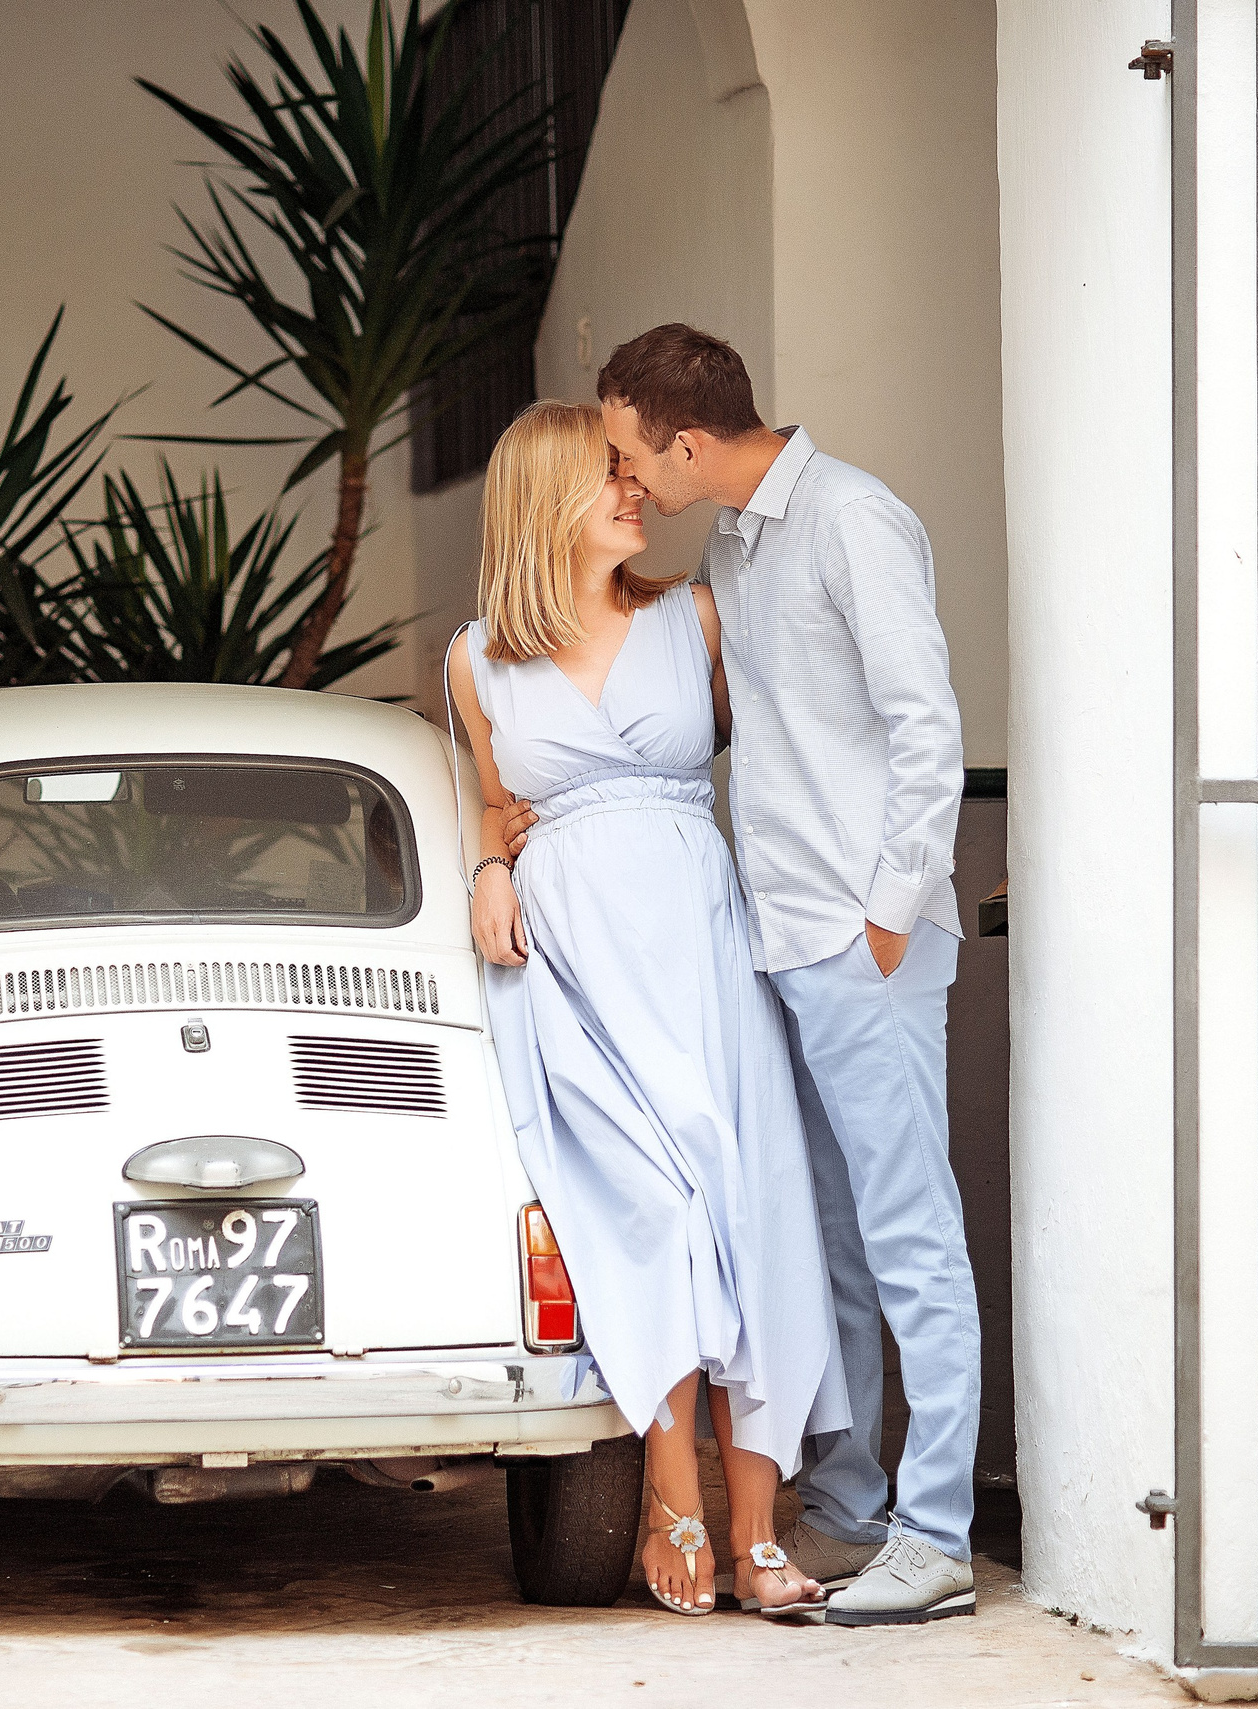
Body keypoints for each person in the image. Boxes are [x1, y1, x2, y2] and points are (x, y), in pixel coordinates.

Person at [563, 323, 978, 1626]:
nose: (629, 481)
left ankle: (942, 1529)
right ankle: (851, 1511)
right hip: (776, 944)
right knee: (832, 1248)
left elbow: (927, 722)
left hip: (863, 941)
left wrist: (895, 910)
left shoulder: (856, 519)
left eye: (634, 455)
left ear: (689, 441)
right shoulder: (736, 543)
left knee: (910, 1238)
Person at [448, 399, 849, 1618]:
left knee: (747, 1203)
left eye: (633, 474)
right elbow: (489, 804)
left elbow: (789, 752)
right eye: (606, 478)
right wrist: (488, 868)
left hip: (699, 944)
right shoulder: (476, 658)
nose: (636, 493)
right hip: (573, 966)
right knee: (650, 1208)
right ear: (538, 502)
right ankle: (671, 1487)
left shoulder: (697, 615)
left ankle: (755, 1524)